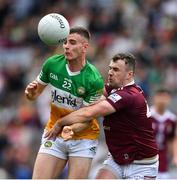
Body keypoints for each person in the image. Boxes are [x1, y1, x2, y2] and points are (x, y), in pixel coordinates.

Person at [45, 53, 159, 179]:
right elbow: (88, 103)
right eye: (110, 68)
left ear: (129, 75)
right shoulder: (113, 89)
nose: (110, 72)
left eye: (116, 70)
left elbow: (88, 113)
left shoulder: (129, 95)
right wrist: (73, 127)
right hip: (117, 160)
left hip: (141, 165)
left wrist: (60, 123)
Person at [24, 27, 104, 179]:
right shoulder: (52, 64)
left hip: (83, 138)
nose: (67, 46)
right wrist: (30, 94)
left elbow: (87, 118)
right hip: (53, 132)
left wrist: (71, 129)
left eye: (72, 42)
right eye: (65, 42)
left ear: (84, 47)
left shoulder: (94, 79)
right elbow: (34, 95)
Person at [150, 88, 177, 179]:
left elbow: (172, 139)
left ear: (169, 99)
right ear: (154, 98)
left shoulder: (172, 119)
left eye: (165, 97)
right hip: (146, 157)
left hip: (162, 158)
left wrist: (175, 156)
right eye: (160, 97)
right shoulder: (147, 115)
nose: (162, 100)